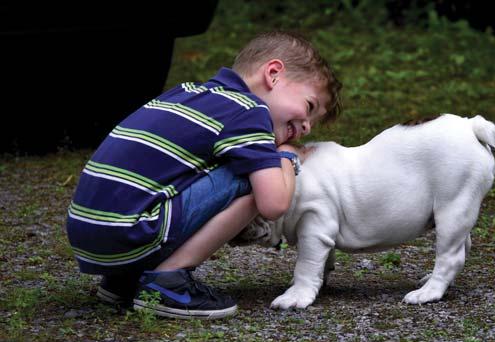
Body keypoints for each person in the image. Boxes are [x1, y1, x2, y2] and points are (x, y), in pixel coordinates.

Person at [66, 30, 342, 319]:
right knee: (252, 176)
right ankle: (168, 281)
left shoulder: (186, 93)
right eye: (309, 107)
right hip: (131, 232)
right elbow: (273, 204)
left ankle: (124, 280)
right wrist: (284, 156)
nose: (307, 127)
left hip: (89, 235)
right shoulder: (249, 112)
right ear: (273, 74)